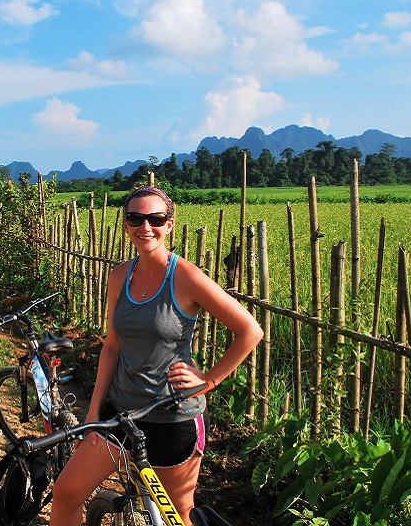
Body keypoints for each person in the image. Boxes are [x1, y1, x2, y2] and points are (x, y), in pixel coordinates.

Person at [50, 186, 263, 526]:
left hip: (173, 418)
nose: (145, 226)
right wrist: (92, 412)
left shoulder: (186, 277)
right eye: (136, 218)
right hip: (120, 413)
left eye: (155, 218)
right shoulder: (120, 276)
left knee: (176, 515)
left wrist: (208, 381)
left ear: (169, 225)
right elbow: (112, 346)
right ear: (125, 225)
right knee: (66, 494)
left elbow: (250, 331)